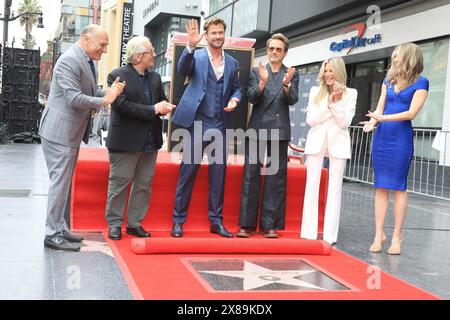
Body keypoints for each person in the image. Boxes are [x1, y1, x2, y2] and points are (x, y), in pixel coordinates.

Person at [39, 25, 125, 251]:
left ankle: (59, 227)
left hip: (69, 132)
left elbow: (89, 92)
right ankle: (52, 233)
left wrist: (107, 92)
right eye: (102, 44)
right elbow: (74, 98)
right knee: (60, 183)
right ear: (86, 39)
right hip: (59, 132)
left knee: (63, 183)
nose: (105, 49)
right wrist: (106, 100)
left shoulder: (87, 60)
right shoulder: (69, 60)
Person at [170, 18, 241, 238]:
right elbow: (183, 69)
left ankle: (216, 221)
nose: (217, 36)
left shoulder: (233, 63)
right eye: (213, 33)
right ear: (207, 35)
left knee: (219, 174)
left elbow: (237, 89)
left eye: (221, 32)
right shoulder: (197, 57)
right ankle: (178, 221)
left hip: (220, 123)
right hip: (197, 123)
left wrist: (235, 100)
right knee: (187, 172)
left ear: (224, 35)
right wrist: (190, 46)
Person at [104, 36, 175, 240]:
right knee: (119, 183)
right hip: (125, 141)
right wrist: (154, 109)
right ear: (138, 56)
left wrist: (164, 107)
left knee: (144, 184)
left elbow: (160, 100)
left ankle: (134, 223)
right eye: (150, 51)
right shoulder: (117, 75)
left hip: (150, 141)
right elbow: (121, 106)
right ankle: (115, 224)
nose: (154, 54)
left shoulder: (154, 77)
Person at [361, 43, 428, 255]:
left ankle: (397, 236)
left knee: (398, 187)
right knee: (380, 186)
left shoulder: (421, 82)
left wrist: (382, 118)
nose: (395, 59)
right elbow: (379, 108)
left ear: (409, 57)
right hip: (382, 137)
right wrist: (373, 123)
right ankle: (378, 234)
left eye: (398, 56)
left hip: (400, 138)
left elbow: (411, 113)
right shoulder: (387, 81)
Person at [236, 33, 299, 238]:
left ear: (285, 52)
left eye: (278, 49)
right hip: (257, 128)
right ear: (268, 49)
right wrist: (263, 82)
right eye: (271, 48)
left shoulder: (290, 73)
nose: (274, 52)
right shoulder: (257, 71)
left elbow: (293, 100)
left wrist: (287, 85)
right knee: (250, 175)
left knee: (275, 177)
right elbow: (252, 97)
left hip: (279, 130)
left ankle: (270, 224)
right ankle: (247, 224)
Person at [300, 57, 357, 245]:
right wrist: (330, 101)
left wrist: (337, 102)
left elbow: (344, 122)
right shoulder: (316, 91)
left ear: (339, 71)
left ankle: (329, 236)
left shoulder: (351, 93)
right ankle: (308, 232)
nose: (328, 74)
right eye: (326, 71)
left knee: (335, 190)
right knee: (312, 186)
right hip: (316, 142)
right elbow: (311, 120)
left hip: (338, 144)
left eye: (331, 70)